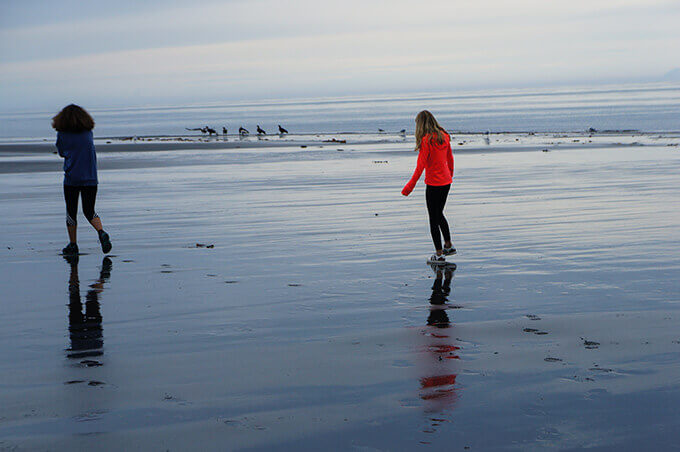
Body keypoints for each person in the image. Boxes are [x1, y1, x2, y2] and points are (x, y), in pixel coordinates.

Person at [52, 104, 112, 255]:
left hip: (72, 179)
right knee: (89, 210)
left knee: (71, 213)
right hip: (90, 178)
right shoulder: (88, 133)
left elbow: (61, 152)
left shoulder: (63, 134)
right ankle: (101, 232)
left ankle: (73, 244)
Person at [401, 110, 455, 264]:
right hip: (446, 182)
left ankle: (439, 254)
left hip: (434, 184)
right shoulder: (444, 136)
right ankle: (448, 245)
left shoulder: (427, 140)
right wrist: (450, 176)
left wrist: (408, 188)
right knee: (439, 214)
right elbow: (450, 159)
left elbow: (420, 166)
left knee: (433, 218)